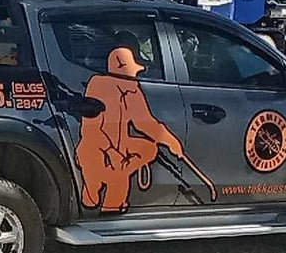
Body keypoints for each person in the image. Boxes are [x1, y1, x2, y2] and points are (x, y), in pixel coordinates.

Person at [75, 31, 207, 212]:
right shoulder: (98, 86)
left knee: (146, 150)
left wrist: (170, 142)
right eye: (133, 72)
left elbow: (146, 124)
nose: (137, 76)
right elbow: (91, 131)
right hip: (95, 148)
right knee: (94, 193)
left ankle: (112, 202)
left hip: (119, 149)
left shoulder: (132, 91)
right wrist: (112, 153)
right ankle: (93, 186)